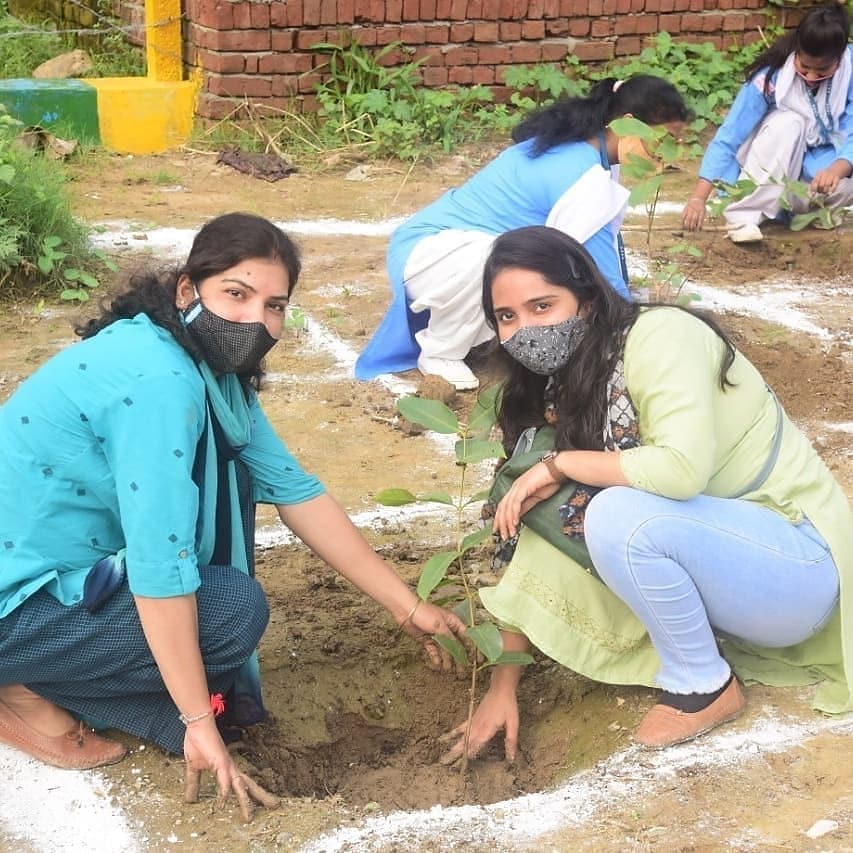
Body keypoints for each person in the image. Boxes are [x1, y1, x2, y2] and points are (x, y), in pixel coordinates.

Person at [0, 212, 465, 820]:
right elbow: (159, 564)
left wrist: (407, 606)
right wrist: (198, 722)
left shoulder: (202, 364)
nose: (256, 320)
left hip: (54, 574)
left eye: (274, 305)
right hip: (16, 601)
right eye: (236, 295)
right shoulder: (159, 382)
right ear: (188, 290)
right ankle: (19, 684)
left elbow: (293, 489)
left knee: (220, 607)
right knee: (225, 614)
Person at [441, 225, 852, 761]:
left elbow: (679, 471)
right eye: (508, 317)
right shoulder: (556, 384)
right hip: (729, 577)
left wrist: (559, 463)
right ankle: (696, 661)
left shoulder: (661, 336)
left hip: (795, 571)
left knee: (615, 514)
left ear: (586, 301)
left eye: (543, 306)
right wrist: (502, 688)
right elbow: (525, 529)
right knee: (561, 504)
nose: (526, 330)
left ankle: (702, 684)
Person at [354, 75, 691, 391]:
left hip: (443, 250)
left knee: (536, 268)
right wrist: (635, 329)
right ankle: (441, 350)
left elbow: (600, 250)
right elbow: (595, 264)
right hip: (435, 255)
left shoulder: (590, 153)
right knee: (511, 264)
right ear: (628, 123)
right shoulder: (583, 175)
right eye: (664, 139)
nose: (668, 154)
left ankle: (475, 330)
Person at [682, 2, 853, 243]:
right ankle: (743, 215)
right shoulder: (770, 79)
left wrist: (836, 170)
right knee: (790, 122)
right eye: (804, 67)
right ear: (797, 51)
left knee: (846, 183)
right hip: (763, 173)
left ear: (840, 58)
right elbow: (729, 137)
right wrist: (699, 197)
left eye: (822, 71)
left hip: (805, 182)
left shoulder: (851, 72)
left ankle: (800, 212)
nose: (812, 77)